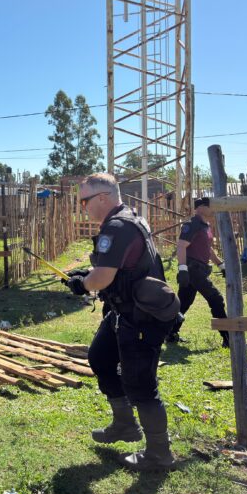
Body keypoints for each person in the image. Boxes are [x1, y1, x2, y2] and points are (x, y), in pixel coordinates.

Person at [63, 173, 176, 471]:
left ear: (102, 198)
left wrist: (83, 284)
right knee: (100, 357)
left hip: (141, 316)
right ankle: (125, 424)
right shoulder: (129, 219)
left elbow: (103, 277)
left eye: (84, 201)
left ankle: (159, 454)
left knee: (140, 384)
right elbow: (116, 267)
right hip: (124, 310)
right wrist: (85, 274)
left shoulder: (116, 226)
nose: (83, 207)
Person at [168, 197, 230, 348]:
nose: (213, 209)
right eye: (210, 206)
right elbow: (181, 246)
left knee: (183, 303)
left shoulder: (206, 226)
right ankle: (228, 338)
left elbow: (207, 249)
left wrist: (221, 265)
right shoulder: (192, 224)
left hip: (199, 268)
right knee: (216, 299)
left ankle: (169, 333)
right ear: (201, 207)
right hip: (193, 269)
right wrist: (182, 269)